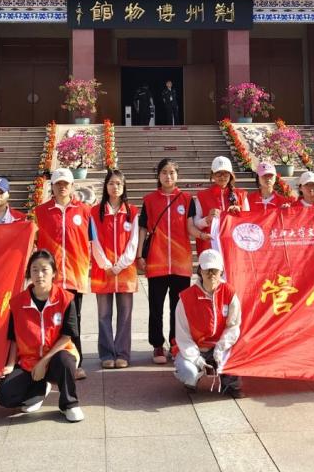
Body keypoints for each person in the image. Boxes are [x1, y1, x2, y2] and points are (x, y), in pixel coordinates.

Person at [0, 249, 84, 422]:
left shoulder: (66, 299)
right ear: (29, 273)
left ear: (54, 273)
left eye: (44, 270)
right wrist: (11, 365)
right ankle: (39, 390)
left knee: (65, 361)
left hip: (58, 356)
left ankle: (70, 404)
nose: (39, 275)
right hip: (29, 361)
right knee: (4, 396)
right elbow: (13, 337)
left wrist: (44, 362)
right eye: (34, 270)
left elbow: (67, 336)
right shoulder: (17, 303)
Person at [34, 168, 92, 379]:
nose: (62, 187)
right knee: (51, 320)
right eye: (58, 184)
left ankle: (76, 363)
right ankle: (49, 362)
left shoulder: (85, 211)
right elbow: (33, 240)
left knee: (74, 320)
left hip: (76, 275)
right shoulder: (41, 212)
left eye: (65, 183)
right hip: (52, 278)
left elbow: (93, 240)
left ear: (72, 186)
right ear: (52, 186)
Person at [137, 157, 193, 365]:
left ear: (177, 175)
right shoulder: (149, 200)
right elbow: (143, 229)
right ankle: (157, 344)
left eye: (172, 172)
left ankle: (176, 342)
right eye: (164, 172)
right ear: (158, 175)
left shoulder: (187, 199)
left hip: (181, 262)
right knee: (156, 306)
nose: (168, 176)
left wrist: (206, 228)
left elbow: (191, 227)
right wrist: (139, 255)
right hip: (157, 261)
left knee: (179, 307)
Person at [174, 249, 243, 398]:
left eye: (215, 270)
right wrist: (197, 359)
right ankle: (193, 378)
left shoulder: (229, 293)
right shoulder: (186, 298)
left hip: (220, 346)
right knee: (188, 372)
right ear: (200, 270)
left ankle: (230, 383)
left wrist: (220, 348)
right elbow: (182, 336)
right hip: (197, 347)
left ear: (221, 271)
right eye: (207, 270)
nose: (211, 274)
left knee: (238, 354)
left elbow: (233, 326)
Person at [90, 168, 139, 369]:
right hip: (103, 271)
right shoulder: (95, 212)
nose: (115, 187)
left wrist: (119, 265)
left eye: (119, 183)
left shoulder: (132, 211)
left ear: (124, 186)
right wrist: (106, 265)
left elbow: (134, 241)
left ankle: (122, 353)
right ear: (106, 186)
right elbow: (93, 241)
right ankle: (106, 354)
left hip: (126, 271)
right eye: (111, 183)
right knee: (103, 315)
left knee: (125, 315)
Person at [190, 156, 249, 256]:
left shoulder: (241, 195)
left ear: (231, 175)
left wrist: (240, 213)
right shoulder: (202, 196)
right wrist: (207, 219)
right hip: (210, 247)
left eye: (226, 173)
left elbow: (249, 223)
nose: (222, 177)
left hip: (235, 248)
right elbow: (196, 224)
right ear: (212, 175)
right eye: (218, 173)